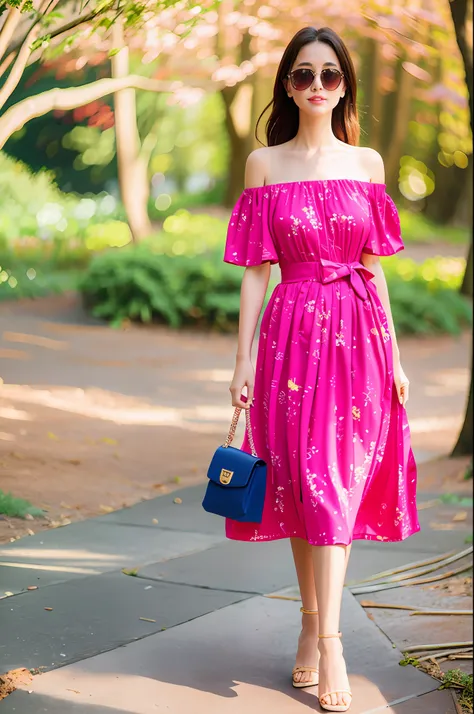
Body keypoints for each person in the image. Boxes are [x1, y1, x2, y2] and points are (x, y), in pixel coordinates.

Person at [223, 25, 420, 713]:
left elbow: (377, 270)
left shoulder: (366, 162)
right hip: (289, 339)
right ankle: (310, 627)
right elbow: (255, 275)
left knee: (334, 485)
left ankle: (331, 639)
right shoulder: (264, 164)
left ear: (344, 86)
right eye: (303, 74)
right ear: (286, 83)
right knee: (305, 490)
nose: (315, 86)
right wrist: (242, 359)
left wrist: (395, 355)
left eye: (329, 75)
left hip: (358, 337)